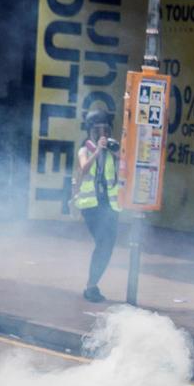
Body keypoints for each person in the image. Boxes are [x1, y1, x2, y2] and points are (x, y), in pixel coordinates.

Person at [73, 110, 122, 302]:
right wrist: (97, 151)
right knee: (103, 242)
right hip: (91, 205)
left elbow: (123, 166)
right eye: (98, 130)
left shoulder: (112, 150)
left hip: (109, 204)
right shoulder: (84, 150)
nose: (103, 134)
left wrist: (114, 152)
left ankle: (93, 284)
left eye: (106, 130)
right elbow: (84, 169)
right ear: (90, 131)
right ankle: (91, 286)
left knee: (108, 245)